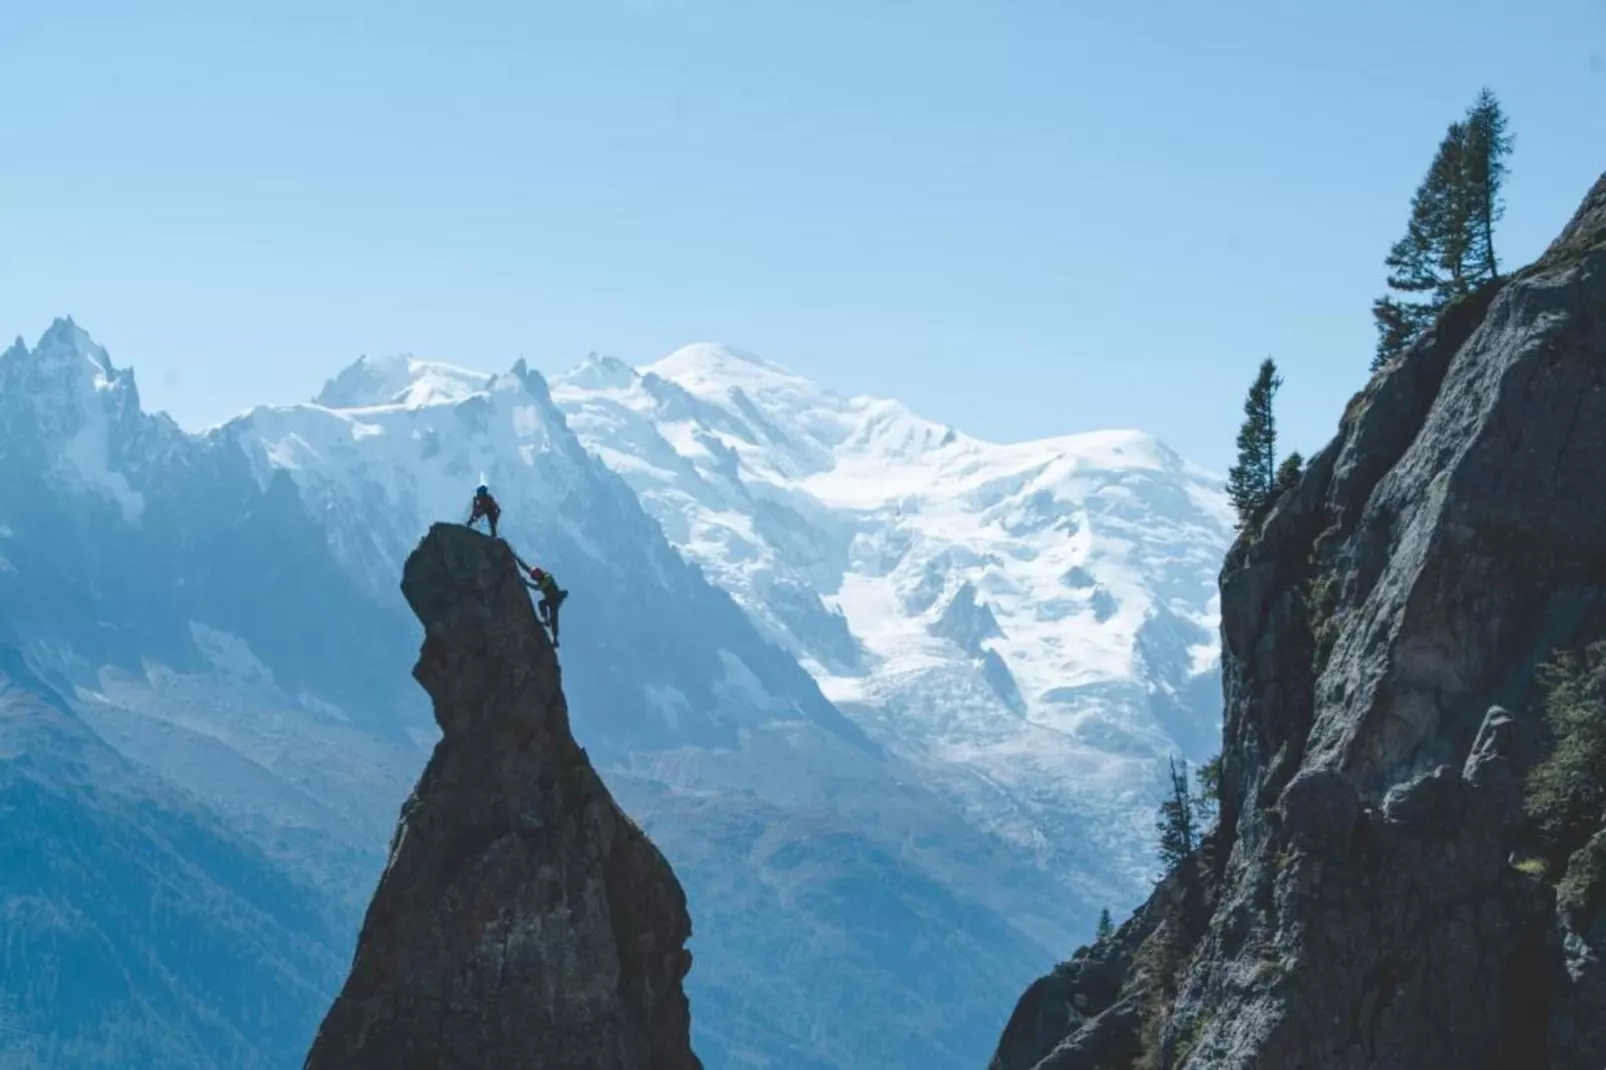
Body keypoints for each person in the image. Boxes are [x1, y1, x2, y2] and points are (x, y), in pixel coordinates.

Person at [524, 565, 567, 648]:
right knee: (541, 604)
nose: (536, 576)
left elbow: (538, 587)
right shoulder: (541, 579)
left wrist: (526, 583)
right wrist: (516, 557)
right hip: (550, 599)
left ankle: (555, 639)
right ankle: (546, 620)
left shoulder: (547, 577)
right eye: (534, 575)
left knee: (553, 617)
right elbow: (526, 568)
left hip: (555, 599)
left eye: (536, 574)